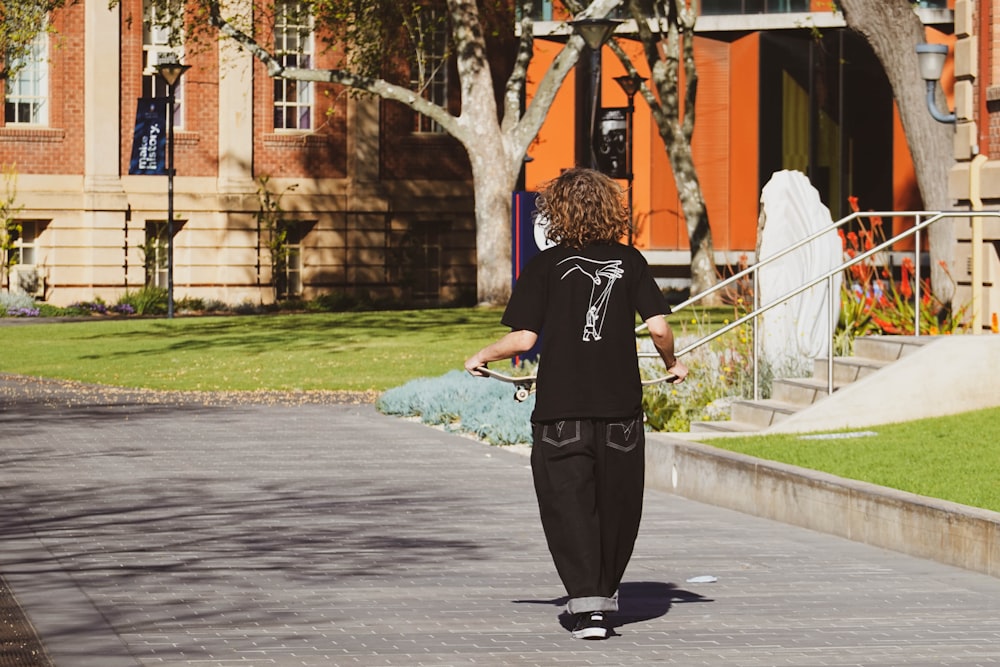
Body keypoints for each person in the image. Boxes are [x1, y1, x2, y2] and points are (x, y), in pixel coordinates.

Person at [464, 168, 688, 640]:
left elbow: (524, 337)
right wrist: (673, 363)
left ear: (557, 213)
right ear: (611, 210)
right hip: (620, 410)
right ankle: (602, 596)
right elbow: (660, 328)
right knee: (617, 504)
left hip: (561, 410)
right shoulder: (630, 260)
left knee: (568, 504)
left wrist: (483, 356)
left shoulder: (545, 266)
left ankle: (588, 606)